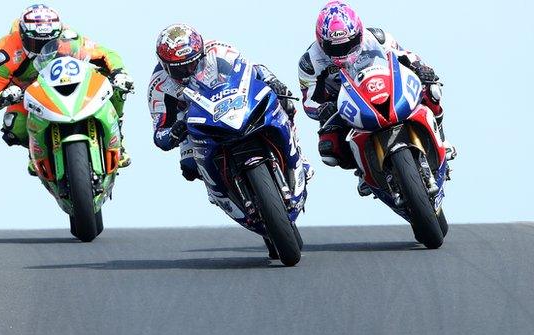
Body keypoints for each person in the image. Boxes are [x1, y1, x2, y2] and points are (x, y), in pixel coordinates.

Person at [298, 1, 456, 195]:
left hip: (385, 87)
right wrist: (322, 109)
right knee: (329, 148)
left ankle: (442, 138)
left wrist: (422, 69)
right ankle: (362, 171)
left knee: (431, 90)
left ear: (359, 32)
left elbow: (407, 56)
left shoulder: (377, 37)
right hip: (344, 105)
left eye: (349, 43)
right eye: (337, 48)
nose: (345, 51)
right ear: (322, 42)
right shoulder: (309, 62)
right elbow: (308, 100)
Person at [0, 4, 134, 174]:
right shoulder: (5, 54)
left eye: (49, 42)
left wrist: (119, 72)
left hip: (68, 82)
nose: (43, 47)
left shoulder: (67, 39)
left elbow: (106, 54)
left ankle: (118, 136)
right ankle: (34, 152)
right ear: (22, 36)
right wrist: (1, 98)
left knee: (116, 85)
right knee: (14, 126)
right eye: (36, 42)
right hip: (28, 95)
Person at [148, 23, 313, 182]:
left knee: (285, 104)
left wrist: (273, 81)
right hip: (192, 121)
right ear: (164, 65)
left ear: (201, 52)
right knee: (189, 167)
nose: (188, 71)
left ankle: (297, 153)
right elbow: (159, 133)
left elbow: (253, 69)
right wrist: (173, 133)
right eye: (179, 68)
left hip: (231, 100)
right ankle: (220, 192)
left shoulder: (219, 50)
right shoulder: (159, 85)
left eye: (193, 63)